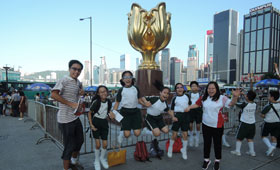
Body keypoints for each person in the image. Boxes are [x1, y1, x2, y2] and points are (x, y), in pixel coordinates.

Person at [185, 81, 240, 170]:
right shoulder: (204, 97)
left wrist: (235, 97)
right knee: (207, 143)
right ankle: (206, 160)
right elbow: (197, 104)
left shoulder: (222, 98)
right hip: (206, 125)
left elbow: (231, 104)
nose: (211, 90)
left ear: (216, 89)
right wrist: (189, 107)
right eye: (209, 88)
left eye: (213, 88)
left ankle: (217, 161)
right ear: (207, 89)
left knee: (217, 144)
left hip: (217, 125)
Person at [51, 60, 84, 170]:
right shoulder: (64, 80)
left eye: (79, 70)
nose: (77, 71)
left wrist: (81, 94)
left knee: (79, 142)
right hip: (65, 120)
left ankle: (73, 163)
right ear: (69, 69)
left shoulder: (78, 82)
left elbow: (77, 97)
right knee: (69, 146)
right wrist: (71, 104)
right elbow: (53, 95)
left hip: (75, 117)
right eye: (74, 69)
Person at [112, 71, 144, 144]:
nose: (127, 79)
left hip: (135, 112)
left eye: (129, 77)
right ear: (123, 80)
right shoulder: (121, 90)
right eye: (125, 77)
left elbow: (139, 99)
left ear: (132, 79)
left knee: (137, 133)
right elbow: (117, 103)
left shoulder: (136, 88)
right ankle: (122, 133)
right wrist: (113, 112)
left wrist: (145, 103)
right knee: (126, 134)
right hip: (125, 112)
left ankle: (128, 130)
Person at [88, 85, 114, 170]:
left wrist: (111, 114)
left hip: (104, 123)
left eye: (105, 91)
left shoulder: (109, 102)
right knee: (98, 145)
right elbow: (89, 113)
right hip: (96, 122)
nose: (104, 93)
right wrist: (91, 125)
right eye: (101, 92)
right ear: (98, 94)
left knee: (105, 144)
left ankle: (102, 158)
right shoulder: (96, 102)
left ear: (107, 92)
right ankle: (96, 160)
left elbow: (108, 111)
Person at [167, 83, 191, 160]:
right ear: (176, 89)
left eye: (181, 87)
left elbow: (190, 105)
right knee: (174, 134)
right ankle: (170, 147)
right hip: (177, 116)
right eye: (178, 88)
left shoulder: (187, 96)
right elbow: (171, 110)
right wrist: (173, 117)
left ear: (183, 89)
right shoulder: (174, 98)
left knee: (185, 134)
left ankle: (184, 150)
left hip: (186, 116)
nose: (180, 89)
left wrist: (189, 109)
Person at [230, 90, 257, 157]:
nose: (245, 96)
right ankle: (252, 152)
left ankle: (237, 151)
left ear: (247, 97)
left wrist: (235, 95)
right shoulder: (255, 104)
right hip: (252, 124)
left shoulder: (244, 104)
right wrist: (243, 94)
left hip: (244, 123)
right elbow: (249, 98)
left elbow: (235, 103)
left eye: (246, 95)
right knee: (250, 138)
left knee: (239, 138)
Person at [261, 90, 280, 157]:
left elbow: (262, 114)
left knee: (264, 136)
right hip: (277, 123)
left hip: (268, 123)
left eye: (269, 95)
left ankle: (270, 147)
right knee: (274, 137)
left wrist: (265, 116)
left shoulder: (268, 106)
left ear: (272, 97)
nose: (268, 97)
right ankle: (271, 153)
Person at [188, 81, 203, 147]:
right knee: (190, 125)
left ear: (197, 87)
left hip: (198, 110)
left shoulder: (201, 94)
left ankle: (197, 139)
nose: (194, 87)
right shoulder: (188, 94)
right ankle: (191, 138)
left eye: (195, 86)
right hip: (191, 110)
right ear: (190, 87)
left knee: (198, 126)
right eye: (192, 86)